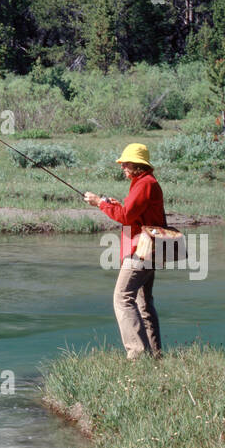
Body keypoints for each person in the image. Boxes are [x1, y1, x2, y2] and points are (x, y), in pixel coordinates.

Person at [83, 143, 165, 359]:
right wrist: (117, 205)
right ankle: (155, 356)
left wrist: (100, 203)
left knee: (122, 297)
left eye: (126, 163)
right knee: (143, 303)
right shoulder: (143, 183)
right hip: (148, 249)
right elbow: (133, 213)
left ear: (137, 165)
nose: (122, 167)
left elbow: (126, 217)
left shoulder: (145, 184)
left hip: (141, 250)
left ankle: (137, 355)